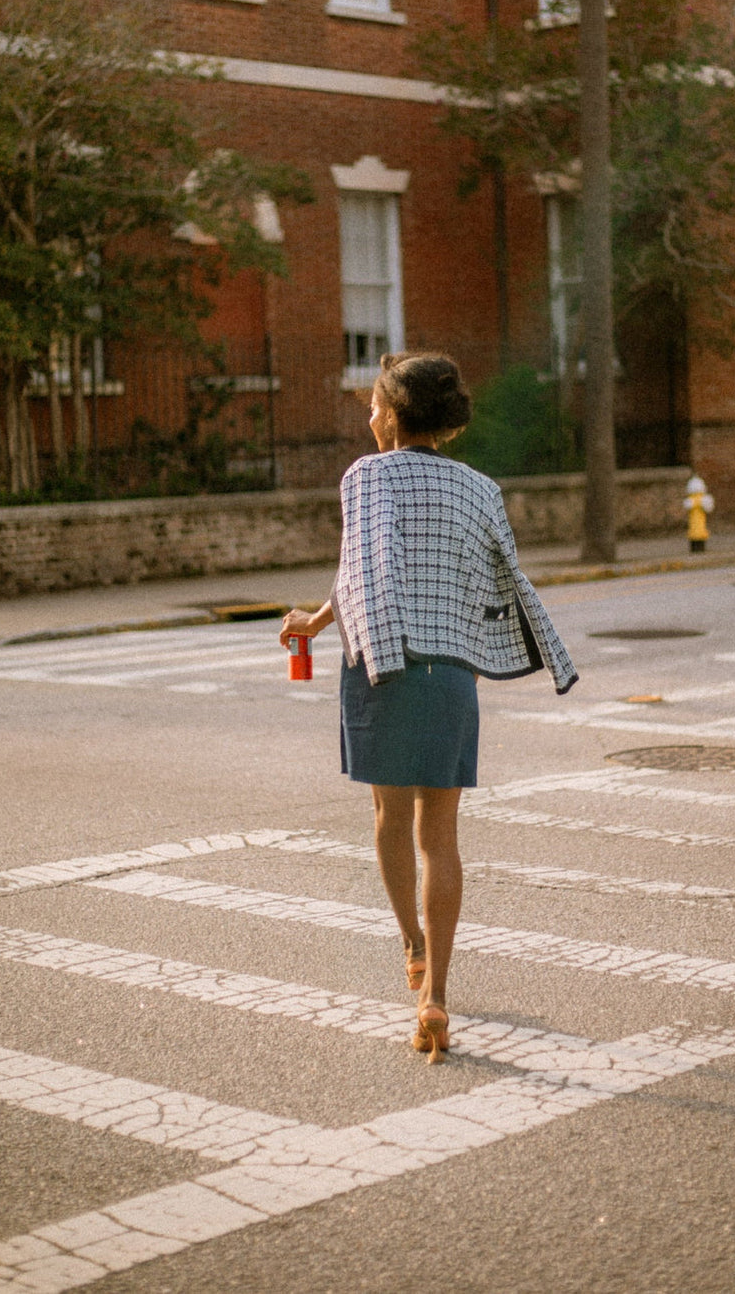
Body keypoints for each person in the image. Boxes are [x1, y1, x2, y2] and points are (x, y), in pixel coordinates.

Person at [280, 351, 577, 1063]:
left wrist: (330, 630)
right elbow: (496, 576)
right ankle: (435, 993)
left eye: (376, 406)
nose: (369, 416)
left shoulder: (365, 476)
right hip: (452, 673)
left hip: (383, 664)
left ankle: (410, 944)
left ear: (396, 414)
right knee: (439, 836)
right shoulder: (480, 489)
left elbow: (368, 566)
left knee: (389, 817)